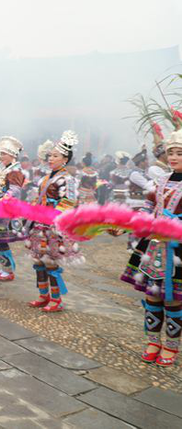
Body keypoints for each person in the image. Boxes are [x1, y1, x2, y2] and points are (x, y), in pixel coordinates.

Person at [120, 130, 182, 367]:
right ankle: (153, 341)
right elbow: (148, 205)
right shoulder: (162, 180)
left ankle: (171, 345)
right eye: (171, 153)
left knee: (174, 300)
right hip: (154, 246)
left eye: (179, 153)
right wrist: (133, 223)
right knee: (152, 295)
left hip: (177, 248)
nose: (173, 157)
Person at [27, 131, 81, 312]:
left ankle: (56, 300)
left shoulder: (68, 179)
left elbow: (69, 201)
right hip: (40, 225)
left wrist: (52, 215)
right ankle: (43, 296)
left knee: (51, 263)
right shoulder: (45, 177)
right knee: (39, 262)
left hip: (53, 225)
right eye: (50, 155)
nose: (51, 158)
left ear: (65, 159)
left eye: (55, 156)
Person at [0, 136, 25, 282]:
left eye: (4, 154)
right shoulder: (6, 169)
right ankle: (5, 267)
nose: (1, 157)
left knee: (1, 240)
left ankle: (9, 271)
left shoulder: (15, 170)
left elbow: (14, 191)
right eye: (0, 154)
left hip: (5, 210)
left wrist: (1, 201)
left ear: (13, 154)